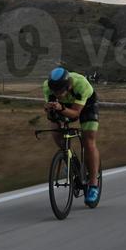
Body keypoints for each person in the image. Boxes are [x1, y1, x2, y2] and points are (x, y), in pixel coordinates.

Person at [43, 67, 101, 205]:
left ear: (68, 85)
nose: (57, 94)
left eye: (60, 91)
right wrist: (49, 109)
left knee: (88, 141)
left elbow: (75, 114)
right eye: (54, 91)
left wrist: (61, 108)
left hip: (86, 106)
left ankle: (93, 185)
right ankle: (69, 159)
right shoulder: (47, 86)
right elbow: (51, 112)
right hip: (62, 106)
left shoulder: (81, 85)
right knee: (56, 132)